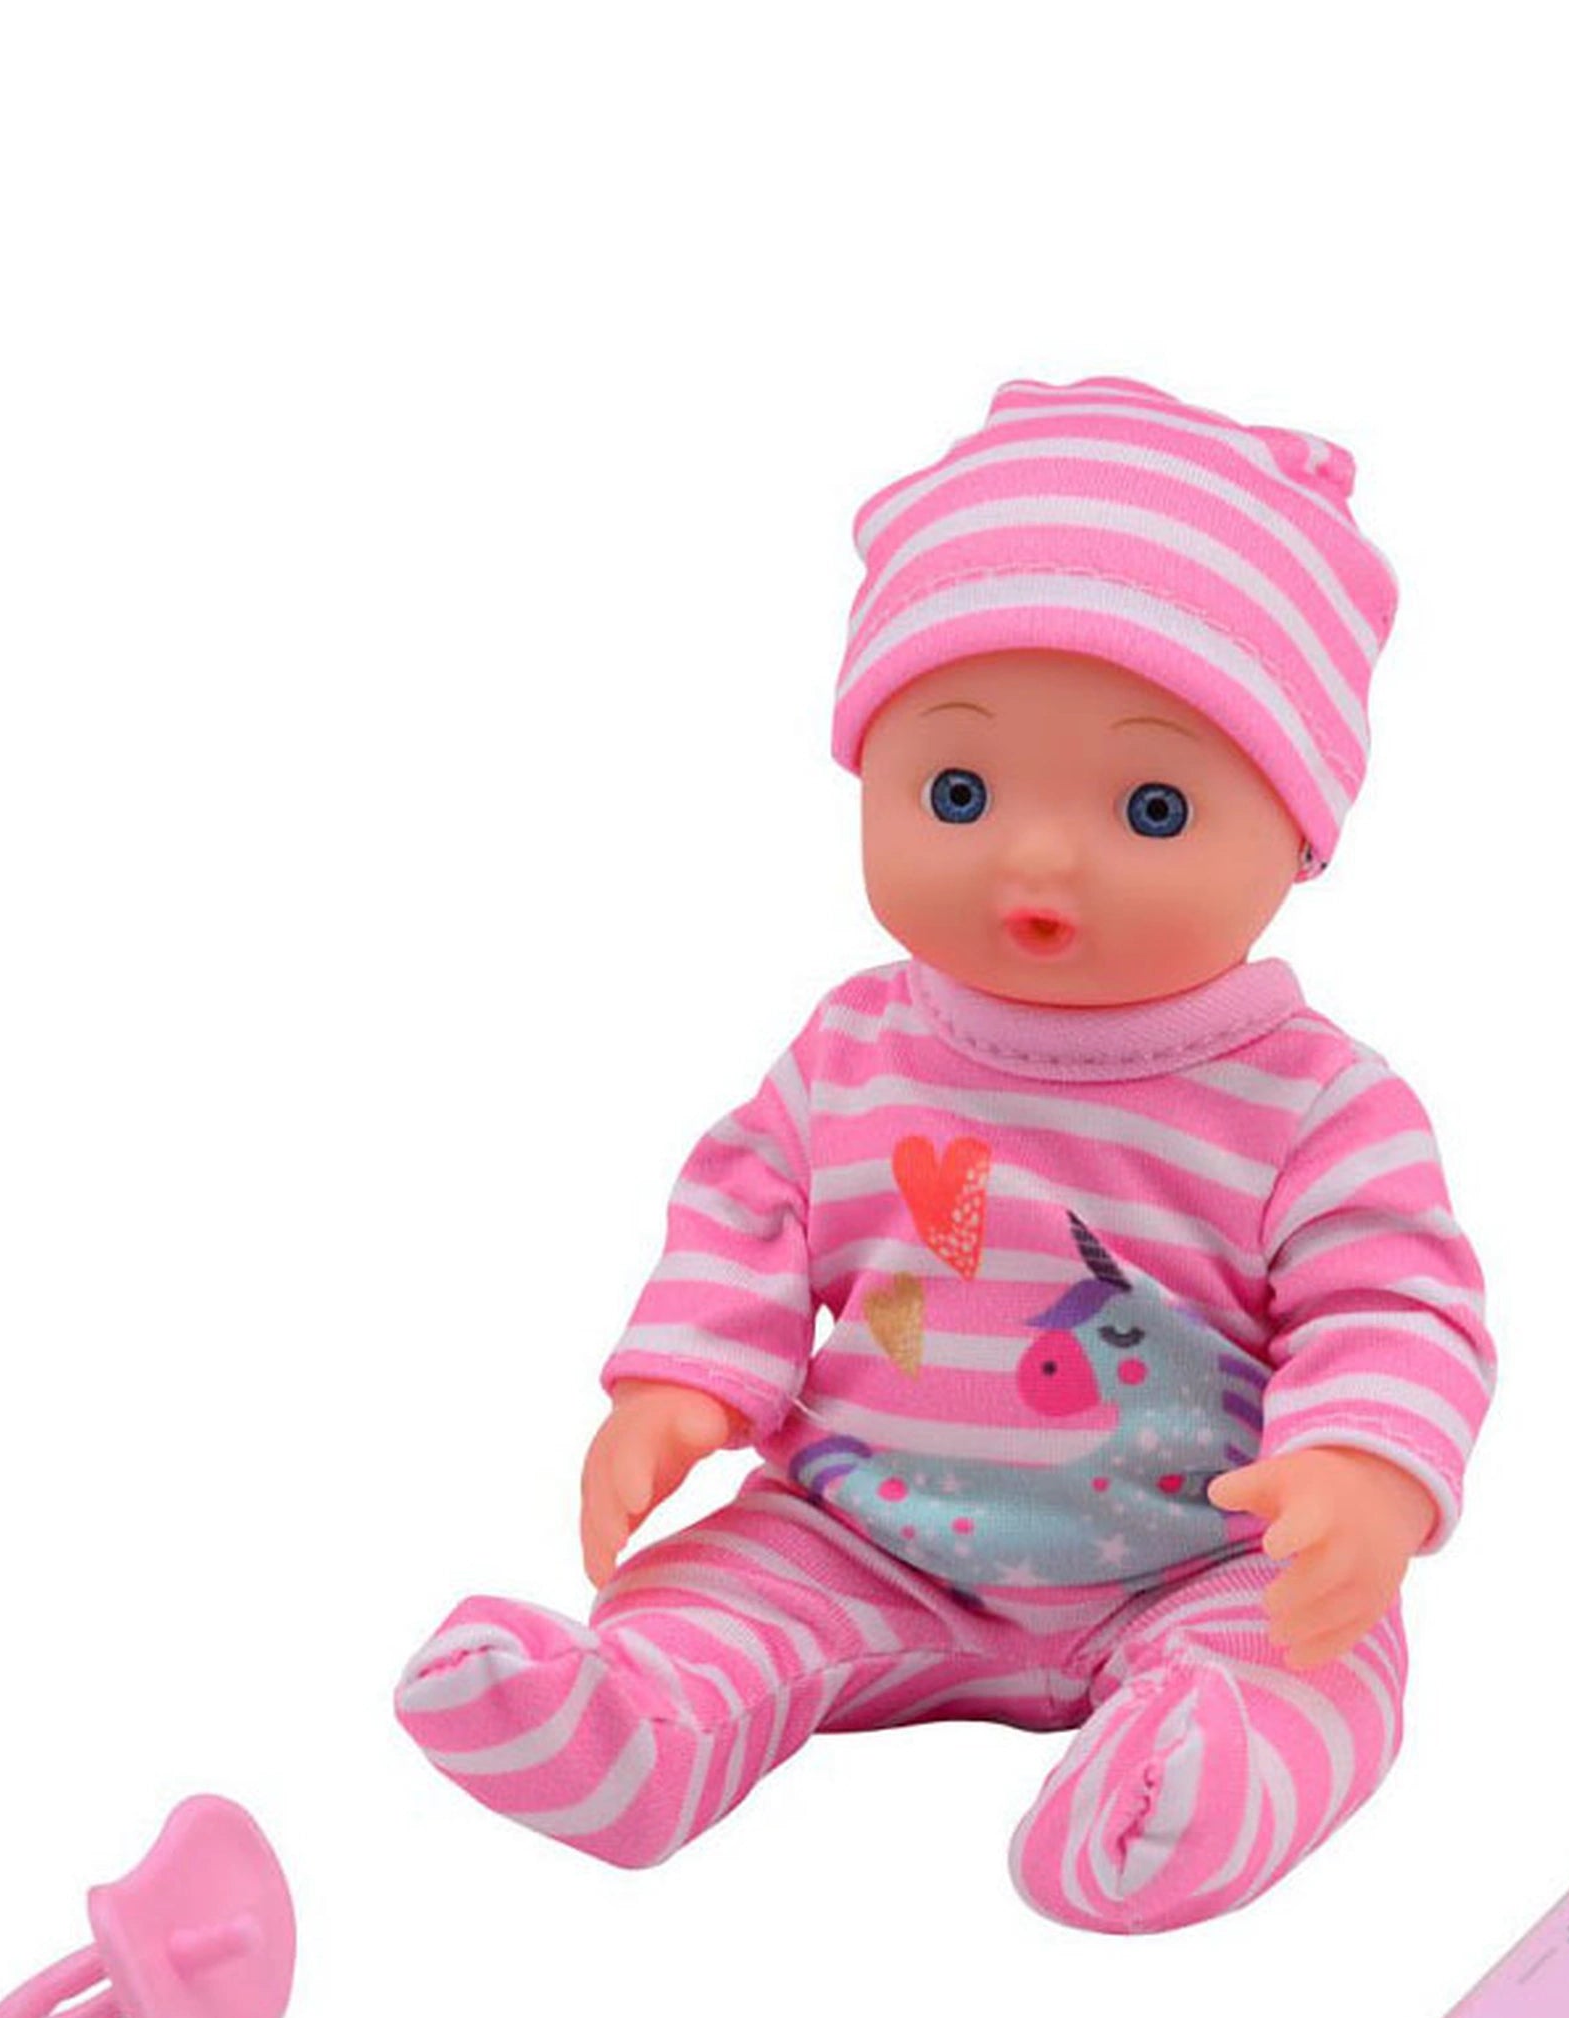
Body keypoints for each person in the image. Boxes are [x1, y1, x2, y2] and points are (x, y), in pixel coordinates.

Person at [396, 378, 1495, 1933]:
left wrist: (1363, 1474)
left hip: (1203, 1552)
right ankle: (631, 1726)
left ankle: (1188, 1784)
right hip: (868, 1528)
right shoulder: (853, 1049)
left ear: (1299, 836)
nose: (1035, 859)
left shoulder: (1315, 1103)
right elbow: (750, 1211)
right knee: (727, 1584)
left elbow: (1395, 1307)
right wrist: (685, 1386)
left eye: (1153, 806)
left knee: (1313, 1654)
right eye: (959, 793)